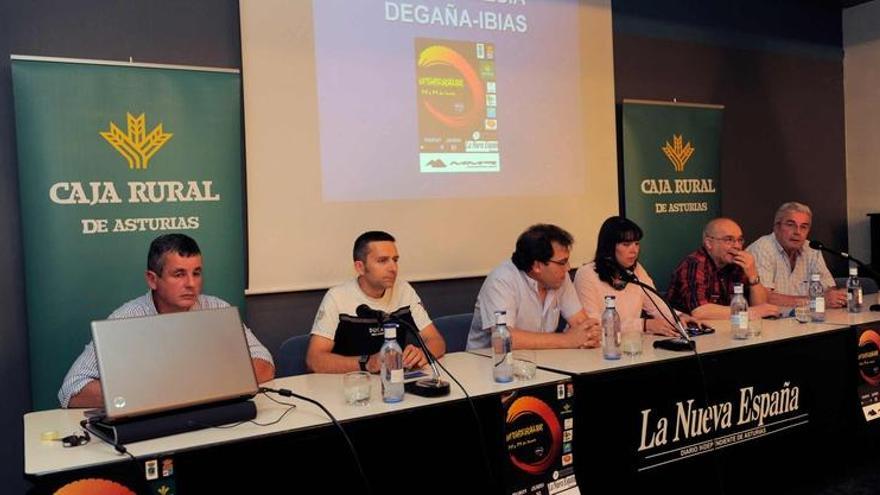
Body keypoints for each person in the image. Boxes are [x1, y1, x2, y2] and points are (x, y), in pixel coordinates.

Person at [58, 233, 275, 408]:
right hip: (152, 425)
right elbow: (71, 390)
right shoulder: (126, 319)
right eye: (179, 274)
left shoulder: (217, 308)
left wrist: (200, 386)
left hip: (209, 416)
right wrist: (156, 392)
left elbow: (264, 363)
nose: (191, 284)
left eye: (197, 273)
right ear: (152, 279)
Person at [306, 231, 446, 374]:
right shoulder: (337, 297)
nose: (393, 268)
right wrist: (367, 363)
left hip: (394, 383)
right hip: (351, 385)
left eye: (395, 260)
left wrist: (422, 353)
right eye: (382, 261)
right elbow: (314, 360)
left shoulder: (404, 290)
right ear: (360, 267)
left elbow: (436, 341)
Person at [466, 224, 601, 350]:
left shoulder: (559, 278)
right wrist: (567, 340)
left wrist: (589, 335)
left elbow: (582, 324)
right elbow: (503, 340)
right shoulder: (501, 280)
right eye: (562, 262)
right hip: (492, 367)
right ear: (537, 266)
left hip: (544, 363)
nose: (568, 268)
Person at [574, 216, 691, 337]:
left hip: (630, 345)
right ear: (609, 247)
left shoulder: (637, 270)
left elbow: (657, 305)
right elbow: (594, 325)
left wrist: (679, 317)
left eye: (636, 244)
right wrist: (643, 325)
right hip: (596, 349)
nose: (634, 250)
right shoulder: (586, 275)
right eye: (626, 244)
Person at [667, 218, 779, 320]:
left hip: (727, 330)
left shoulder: (737, 264)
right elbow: (700, 311)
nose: (737, 246)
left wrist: (753, 275)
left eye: (739, 240)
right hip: (691, 334)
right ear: (709, 243)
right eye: (729, 240)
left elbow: (760, 308)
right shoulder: (694, 263)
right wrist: (748, 312)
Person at [746, 201, 846, 308]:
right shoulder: (763, 248)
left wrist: (838, 297)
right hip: (770, 322)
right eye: (790, 225)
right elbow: (765, 298)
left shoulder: (811, 249)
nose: (797, 232)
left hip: (804, 319)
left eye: (803, 227)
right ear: (776, 227)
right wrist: (816, 302)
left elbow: (829, 288)